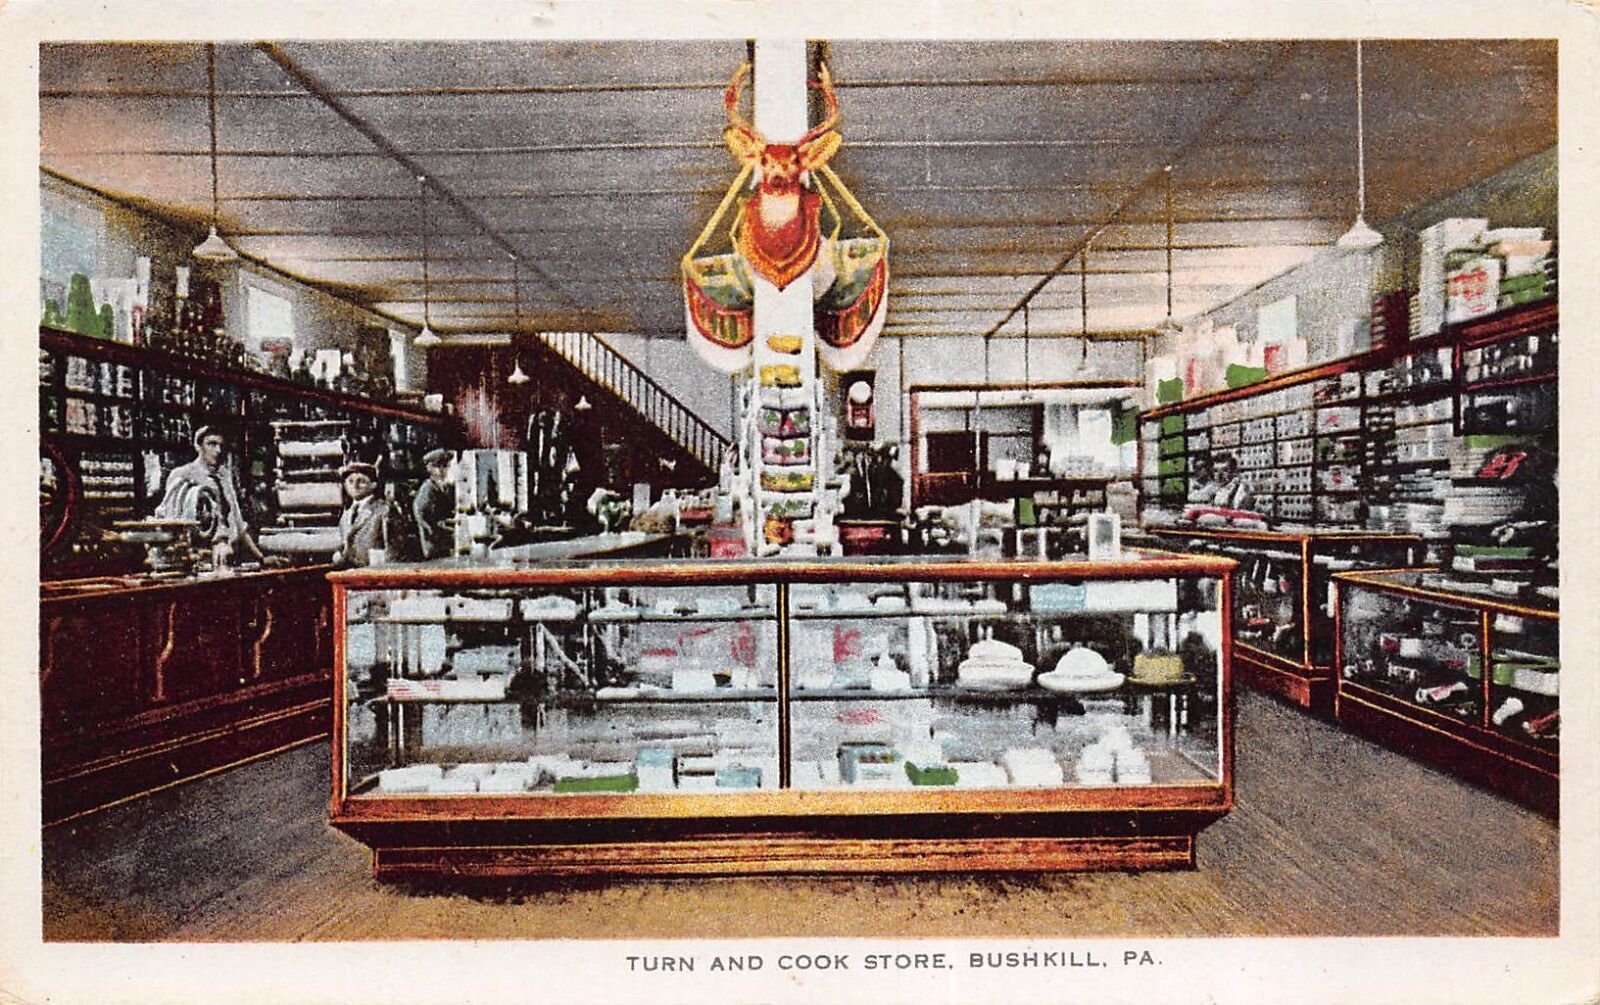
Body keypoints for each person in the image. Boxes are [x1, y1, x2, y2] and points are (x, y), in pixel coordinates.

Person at [155, 425, 269, 566]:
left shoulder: (224, 475)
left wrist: (261, 558)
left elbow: (238, 522)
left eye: (221, 445)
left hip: (228, 551)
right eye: (211, 444)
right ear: (198, 446)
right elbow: (171, 518)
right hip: (198, 554)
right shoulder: (183, 474)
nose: (218, 451)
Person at [334, 462, 398, 567]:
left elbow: (393, 548)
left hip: (374, 573)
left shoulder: (383, 509)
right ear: (345, 485)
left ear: (373, 485)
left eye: (362, 481)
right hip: (351, 573)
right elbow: (346, 542)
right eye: (350, 481)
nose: (355, 486)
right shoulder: (347, 513)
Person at [413, 448, 457, 560]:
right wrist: (436, 528)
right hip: (434, 544)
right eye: (437, 466)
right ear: (429, 468)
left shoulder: (447, 487)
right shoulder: (428, 488)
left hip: (447, 542)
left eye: (445, 466)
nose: (441, 470)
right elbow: (420, 512)